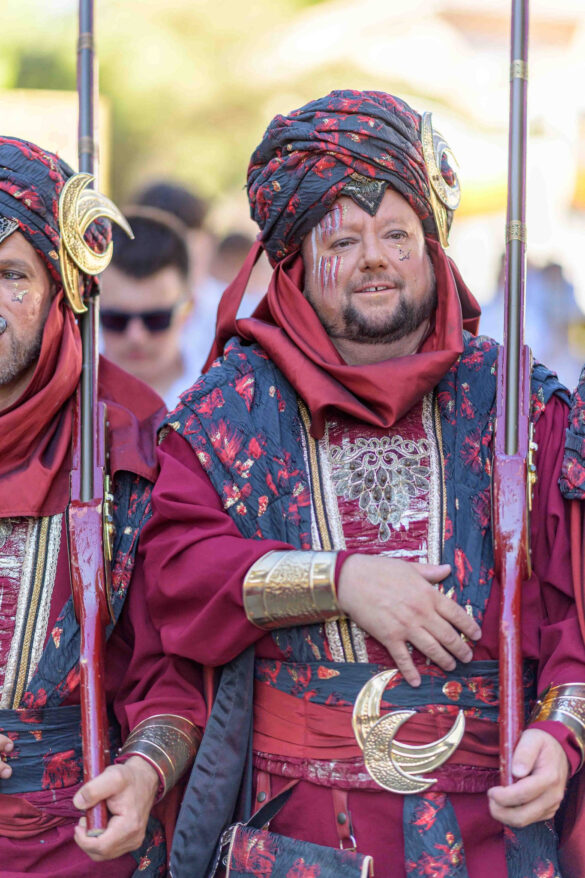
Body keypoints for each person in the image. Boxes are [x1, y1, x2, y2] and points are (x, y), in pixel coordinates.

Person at [140, 91, 585, 877]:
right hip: (297, 835)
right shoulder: (226, 414)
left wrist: (560, 736)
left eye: (396, 234)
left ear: (432, 248)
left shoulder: (521, 408)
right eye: (341, 239)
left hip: (493, 832)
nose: (374, 257)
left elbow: (573, 609)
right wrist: (338, 580)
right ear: (294, 261)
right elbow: (176, 574)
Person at [0, 137, 201, 877]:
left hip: (80, 845)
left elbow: (172, 670)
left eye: (12, 277)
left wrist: (144, 772)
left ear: (62, 292)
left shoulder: (133, 449)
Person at [100, 207, 194, 408]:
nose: (136, 336)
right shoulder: (68, 395)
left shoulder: (225, 392)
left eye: (156, 319)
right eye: (116, 320)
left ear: (188, 311)